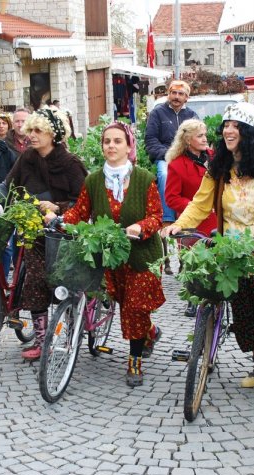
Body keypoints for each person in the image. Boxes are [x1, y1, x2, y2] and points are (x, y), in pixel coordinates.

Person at [164, 103, 254, 404]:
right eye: (226, 124)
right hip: (237, 260)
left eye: (236, 125)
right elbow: (201, 204)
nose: (228, 130)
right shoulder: (219, 167)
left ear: (250, 132)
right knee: (246, 317)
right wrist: (179, 225)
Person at [45, 122, 165, 386]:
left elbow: (157, 216)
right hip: (108, 255)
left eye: (117, 141)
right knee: (124, 303)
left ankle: (134, 361)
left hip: (142, 255)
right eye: (107, 141)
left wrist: (140, 227)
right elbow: (81, 212)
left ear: (128, 146)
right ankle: (150, 332)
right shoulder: (94, 180)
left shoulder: (144, 178)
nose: (111, 146)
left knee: (134, 306)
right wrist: (60, 219)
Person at [0, 109, 87, 361]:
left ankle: (73, 335)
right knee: (34, 283)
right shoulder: (27, 158)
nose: (30, 134)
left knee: (67, 285)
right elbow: (7, 186)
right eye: (29, 129)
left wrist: (58, 208)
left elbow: (84, 203)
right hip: (35, 232)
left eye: (37, 130)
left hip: (64, 235)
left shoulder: (71, 164)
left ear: (53, 134)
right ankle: (43, 342)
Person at [145, 80, 199, 274]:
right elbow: (151, 141)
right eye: (173, 93)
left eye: (181, 94)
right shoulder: (158, 113)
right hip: (165, 158)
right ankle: (168, 214)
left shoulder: (191, 115)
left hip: (186, 159)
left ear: (187, 97)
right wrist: (170, 155)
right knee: (165, 173)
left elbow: (198, 139)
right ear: (168, 94)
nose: (176, 97)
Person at [165, 119, 217, 317]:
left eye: (205, 135)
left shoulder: (214, 158)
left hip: (216, 219)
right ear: (188, 140)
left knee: (214, 258)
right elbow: (171, 198)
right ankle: (191, 298)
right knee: (192, 261)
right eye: (200, 136)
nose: (205, 139)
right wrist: (197, 207)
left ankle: (212, 295)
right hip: (193, 221)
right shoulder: (177, 165)